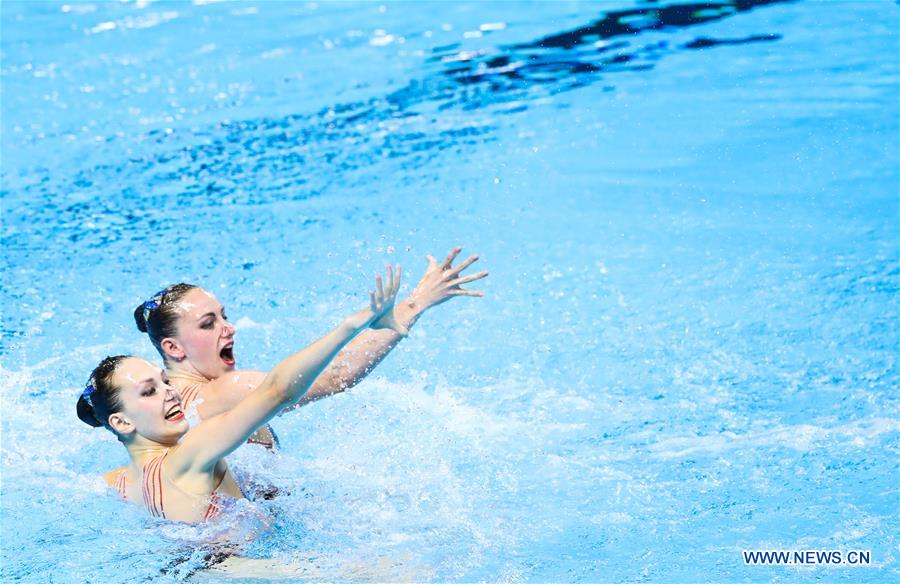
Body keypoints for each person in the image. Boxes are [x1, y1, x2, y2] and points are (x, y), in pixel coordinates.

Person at [77, 266, 406, 523]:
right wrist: (355, 323)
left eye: (165, 382)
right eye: (150, 391)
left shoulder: (117, 483)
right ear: (120, 422)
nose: (170, 394)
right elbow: (282, 390)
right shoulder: (193, 448)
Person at [134, 247, 488, 449]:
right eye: (208, 324)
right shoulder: (229, 391)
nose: (229, 328)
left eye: (223, 316)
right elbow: (338, 375)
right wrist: (417, 302)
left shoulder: (158, 404)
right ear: (173, 347)